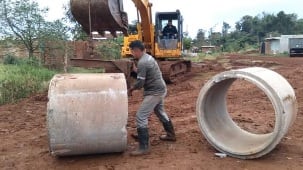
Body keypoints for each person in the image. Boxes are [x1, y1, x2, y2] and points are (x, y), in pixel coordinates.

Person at [128, 40, 176, 156]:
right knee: (159, 111)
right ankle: (171, 134)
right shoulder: (148, 57)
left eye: (132, 52)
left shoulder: (143, 62)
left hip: (155, 92)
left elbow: (140, 83)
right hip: (160, 89)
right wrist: (135, 70)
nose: (132, 54)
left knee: (141, 116)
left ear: (137, 50)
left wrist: (131, 89)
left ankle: (144, 147)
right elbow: (145, 73)